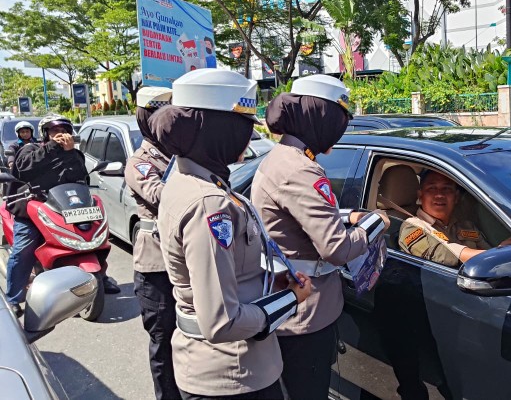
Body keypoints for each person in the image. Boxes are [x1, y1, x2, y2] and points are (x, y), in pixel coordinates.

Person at [151, 68, 313, 400]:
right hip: (232, 374)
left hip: (226, 368)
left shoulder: (190, 180)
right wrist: (290, 299)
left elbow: (226, 274)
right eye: (242, 128)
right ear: (219, 130)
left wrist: (271, 285)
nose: (247, 139)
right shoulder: (209, 204)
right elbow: (222, 321)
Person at [251, 74, 389, 399]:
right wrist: (377, 223)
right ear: (320, 119)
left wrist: (348, 216)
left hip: (295, 306)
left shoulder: (283, 158)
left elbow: (299, 218)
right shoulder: (301, 169)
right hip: (305, 314)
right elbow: (336, 247)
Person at [5, 114, 119, 318]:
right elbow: (23, 169)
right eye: (54, 130)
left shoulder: (73, 153)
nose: (60, 134)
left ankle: (100, 275)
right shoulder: (31, 149)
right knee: (23, 249)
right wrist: (54, 148)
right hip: (34, 208)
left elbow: (79, 177)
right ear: (45, 134)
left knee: (95, 237)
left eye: (64, 130)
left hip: (66, 207)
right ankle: (13, 298)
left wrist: (68, 153)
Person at [124, 86, 179, 400]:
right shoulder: (140, 161)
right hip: (156, 263)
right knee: (163, 340)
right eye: (157, 114)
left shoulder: (180, 152)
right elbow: (162, 196)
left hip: (183, 259)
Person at [399, 170, 511, 267]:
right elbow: (443, 256)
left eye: (446, 189)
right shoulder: (413, 227)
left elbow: (486, 250)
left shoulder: (466, 226)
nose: (439, 195)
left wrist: (502, 249)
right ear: (420, 196)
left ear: (456, 197)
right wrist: (496, 256)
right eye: (432, 188)